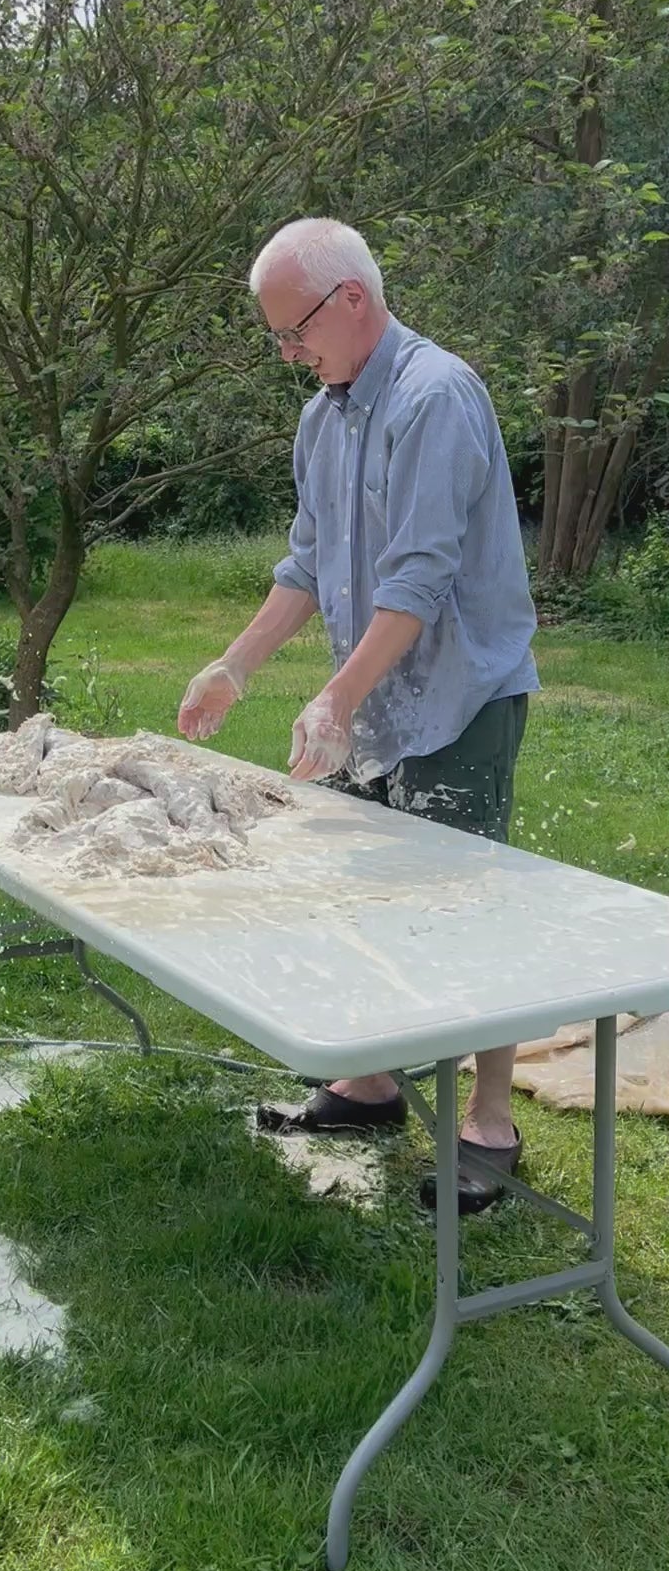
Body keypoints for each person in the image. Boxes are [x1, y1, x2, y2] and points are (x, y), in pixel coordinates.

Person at [177, 217, 539, 1214]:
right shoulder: (321, 419)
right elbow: (307, 564)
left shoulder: (437, 398)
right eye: (279, 341)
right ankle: (374, 1083)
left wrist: (337, 694)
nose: (290, 355)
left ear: (351, 300)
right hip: (373, 702)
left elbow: (419, 582)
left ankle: (489, 1121)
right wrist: (235, 669)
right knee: (362, 891)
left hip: (459, 698)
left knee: (471, 909)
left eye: (293, 333)